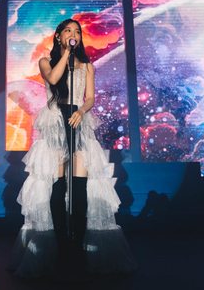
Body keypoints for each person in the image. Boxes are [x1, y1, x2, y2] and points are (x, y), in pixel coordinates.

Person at [11, 18, 136, 278]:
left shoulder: (87, 66)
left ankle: (77, 245)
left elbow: (90, 98)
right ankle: (61, 244)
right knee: (58, 184)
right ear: (59, 36)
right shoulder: (46, 62)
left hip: (78, 120)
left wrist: (81, 111)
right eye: (68, 31)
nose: (73, 34)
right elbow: (54, 78)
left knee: (79, 185)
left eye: (77, 31)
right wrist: (66, 54)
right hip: (56, 121)